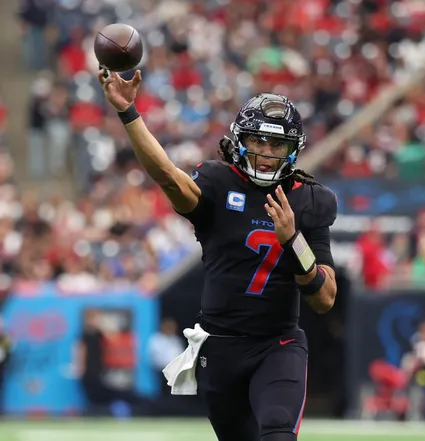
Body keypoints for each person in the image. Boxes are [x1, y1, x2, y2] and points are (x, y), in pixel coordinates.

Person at [97, 69, 337, 441]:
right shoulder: (217, 183)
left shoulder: (309, 199)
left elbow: (325, 299)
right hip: (219, 348)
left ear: (294, 150)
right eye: (260, 141)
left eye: (278, 146)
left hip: (278, 343)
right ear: (240, 141)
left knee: (277, 431)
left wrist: (294, 242)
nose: (268, 155)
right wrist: (129, 111)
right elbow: (166, 175)